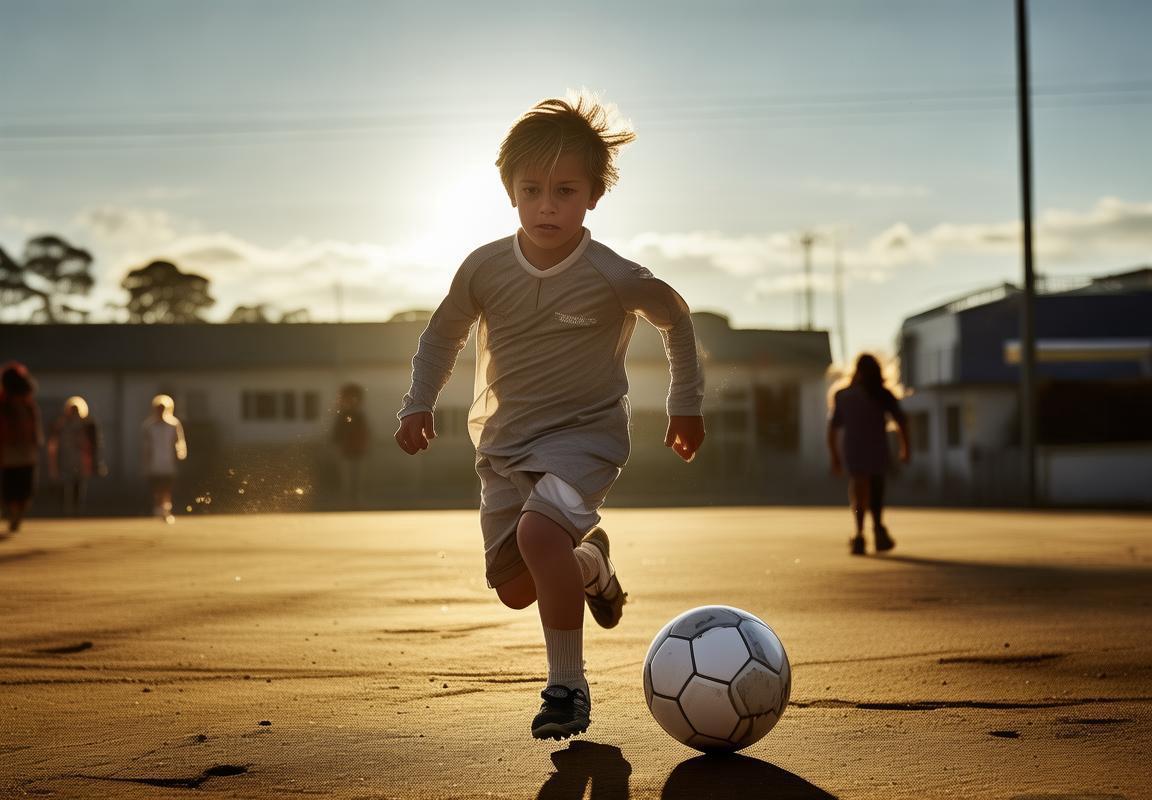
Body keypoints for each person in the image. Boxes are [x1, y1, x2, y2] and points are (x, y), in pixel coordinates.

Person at [394, 94, 706, 741]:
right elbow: (441, 334)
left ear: (593, 196)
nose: (546, 206)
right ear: (509, 190)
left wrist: (685, 404)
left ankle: (567, 689)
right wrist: (418, 401)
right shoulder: (484, 268)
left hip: (585, 439)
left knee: (540, 537)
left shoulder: (613, 274)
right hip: (504, 444)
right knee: (516, 586)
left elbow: (675, 317)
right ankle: (590, 564)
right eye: (531, 190)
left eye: (565, 191)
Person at [827, 353, 910, 555]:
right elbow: (901, 422)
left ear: (856, 371)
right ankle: (878, 529)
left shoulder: (843, 395)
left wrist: (835, 456)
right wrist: (905, 447)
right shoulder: (883, 394)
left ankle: (859, 533)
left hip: (854, 449)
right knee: (876, 489)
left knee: (858, 492)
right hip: (877, 448)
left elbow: (832, 429)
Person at [0, 362, 43, 534]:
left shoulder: (6, 402)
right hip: (24, 451)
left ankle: (14, 512)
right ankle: (17, 513)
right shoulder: (27, 403)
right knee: (24, 486)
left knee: (11, 486)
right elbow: (34, 425)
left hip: (9, 451)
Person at [47, 396, 103, 515]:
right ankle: (65, 510)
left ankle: (77, 510)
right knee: (65, 486)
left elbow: (94, 444)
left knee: (79, 485)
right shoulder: (61, 425)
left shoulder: (87, 425)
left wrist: (95, 461)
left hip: (80, 460)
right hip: (65, 459)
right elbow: (54, 443)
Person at [141, 394, 187, 524]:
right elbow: (146, 446)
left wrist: (179, 455)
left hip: (168, 463)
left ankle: (165, 510)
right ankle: (158, 509)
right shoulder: (149, 426)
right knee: (157, 488)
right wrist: (146, 462)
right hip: (154, 463)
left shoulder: (173, 424)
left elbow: (179, 442)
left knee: (167, 489)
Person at [330, 382, 370, 508]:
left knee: (357, 478)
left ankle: (355, 499)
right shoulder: (344, 416)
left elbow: (365, 432)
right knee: (347, 478)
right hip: (346, 451)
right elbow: (336, 433)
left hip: (357, 450)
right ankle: (348, 500)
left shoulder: (359, 416)